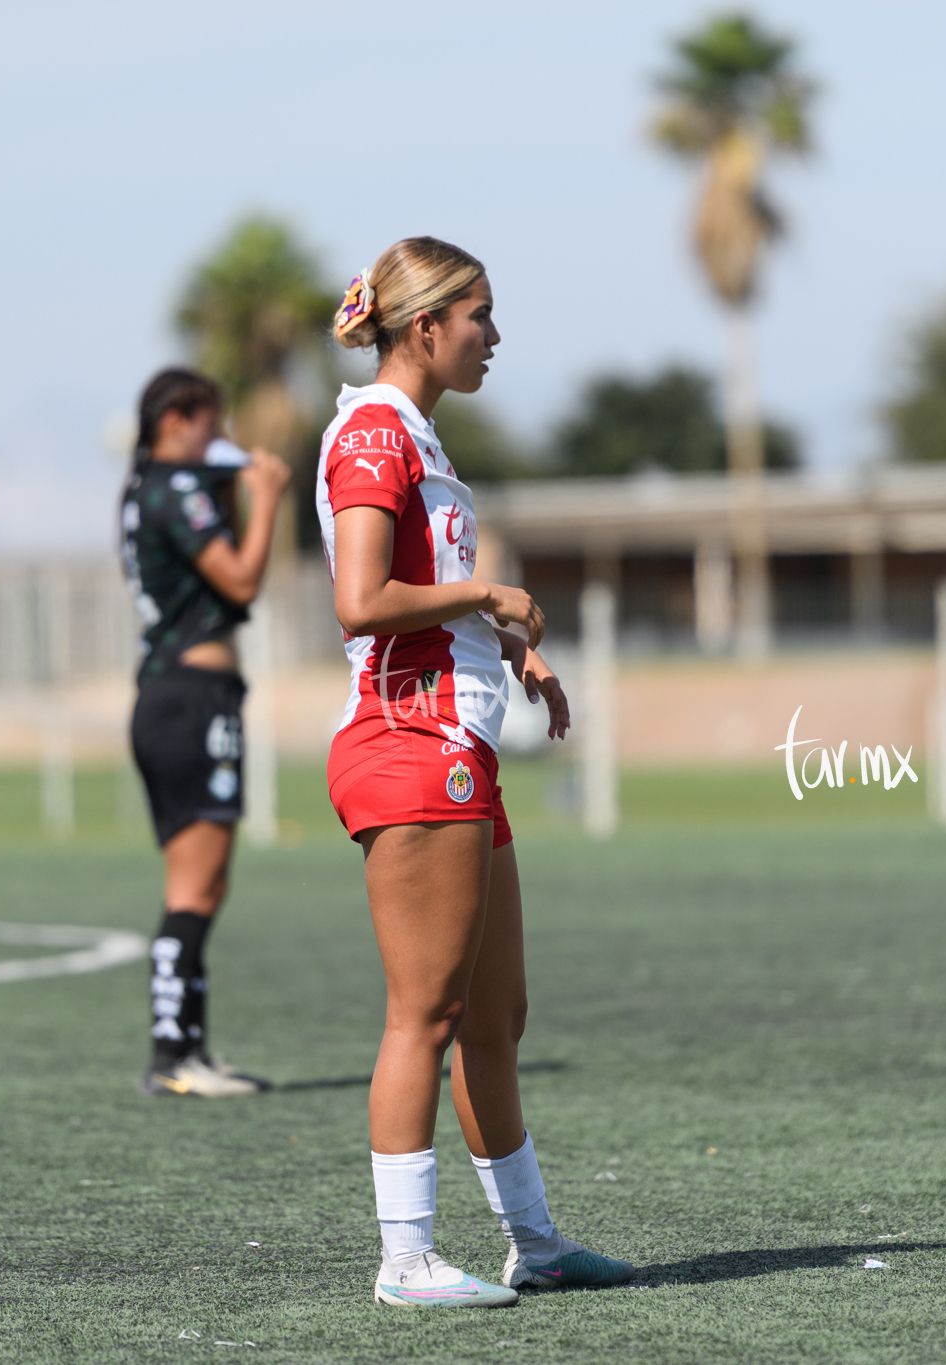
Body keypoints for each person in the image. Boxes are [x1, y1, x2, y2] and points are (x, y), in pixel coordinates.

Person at [317, 238, 634, 1308]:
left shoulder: (417, 439)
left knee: (496, 1017)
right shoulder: (372, 434)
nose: (494, 337)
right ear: (424, 328)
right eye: (480, 318)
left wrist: (511, 649)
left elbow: (424, 593)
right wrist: (488, 595)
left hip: (457, 747)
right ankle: (404, 1260)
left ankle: (534, 1245)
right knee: (424, 1015)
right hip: (406, 747)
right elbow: (362, 601)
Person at [119, 367, 292, 1095]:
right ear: (178, 419)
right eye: (212, 422)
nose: (220, 437)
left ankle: (188, 1045)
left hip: (177, 696)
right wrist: (269, 496)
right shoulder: (175, 484)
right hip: (191, 699)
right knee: (194, 884)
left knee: (202, 882)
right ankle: (172, 1057)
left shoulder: (145, 487)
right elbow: (242, 580)